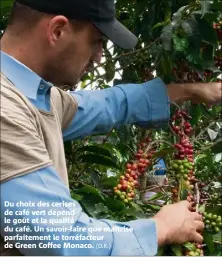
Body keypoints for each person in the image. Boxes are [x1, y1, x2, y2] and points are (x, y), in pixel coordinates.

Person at [0, 0, 221, 256]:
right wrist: (160, 229)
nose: (99, 56)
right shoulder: (6, 110)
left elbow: (105, 105)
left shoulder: (33, 97)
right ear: (57, 30)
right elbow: (64, 241)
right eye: (96, 41)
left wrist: (187, 91)